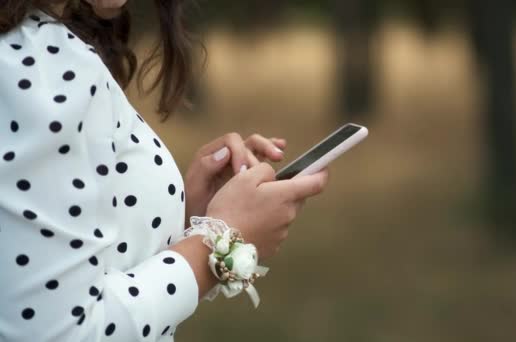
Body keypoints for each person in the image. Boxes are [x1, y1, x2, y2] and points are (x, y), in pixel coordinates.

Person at [0, 1, 330, 341]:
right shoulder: (43, 71)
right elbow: (63, 333)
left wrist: (183, 221)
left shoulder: (23, 52)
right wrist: (221, 242)